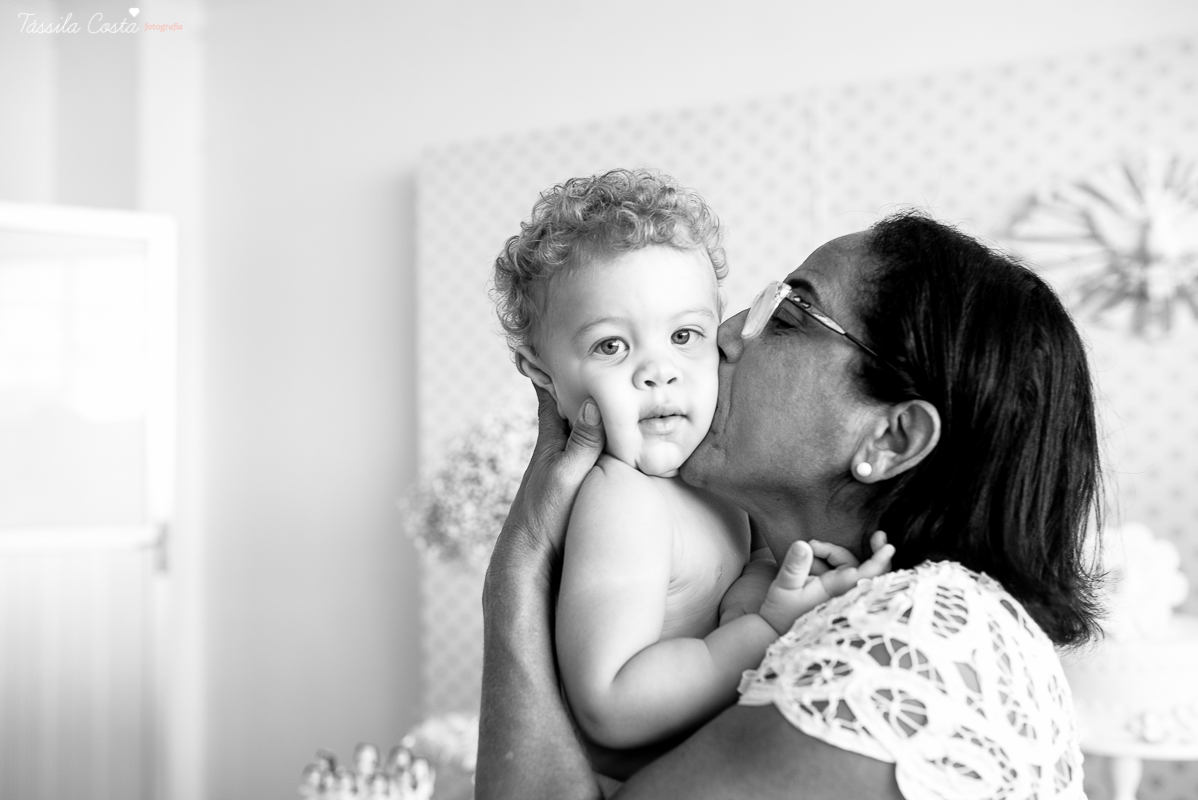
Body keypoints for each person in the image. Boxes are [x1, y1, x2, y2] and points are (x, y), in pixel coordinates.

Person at [477, 211, 1102, 799]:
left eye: (789, 314)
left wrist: (521, 564)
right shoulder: (842, 603)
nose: (724, 335)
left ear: (891, 440)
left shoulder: (918, 644)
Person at [491, 169, 896, 758]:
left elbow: (723, 593)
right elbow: (611, 704)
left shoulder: (717, 483)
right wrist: (767, 629)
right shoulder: (622, 501)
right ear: (542, 373)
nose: (659, 371)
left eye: (684, 336)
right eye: (611, 346)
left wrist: (777, 584)